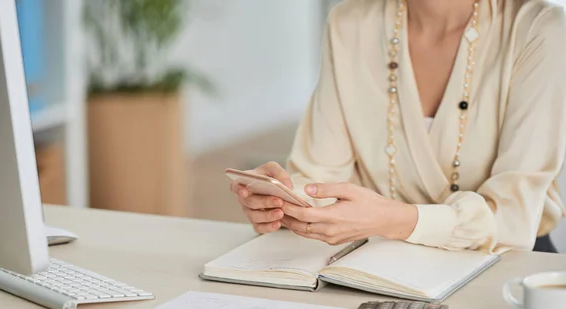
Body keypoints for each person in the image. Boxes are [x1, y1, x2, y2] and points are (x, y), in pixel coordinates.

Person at [230, 0, 566, 254]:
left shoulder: (538, 29)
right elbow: (319, 181)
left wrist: (395, 220)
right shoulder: (351, 23)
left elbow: (513, 217)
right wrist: (282, 202)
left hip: (507, 266)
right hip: (380, 262)